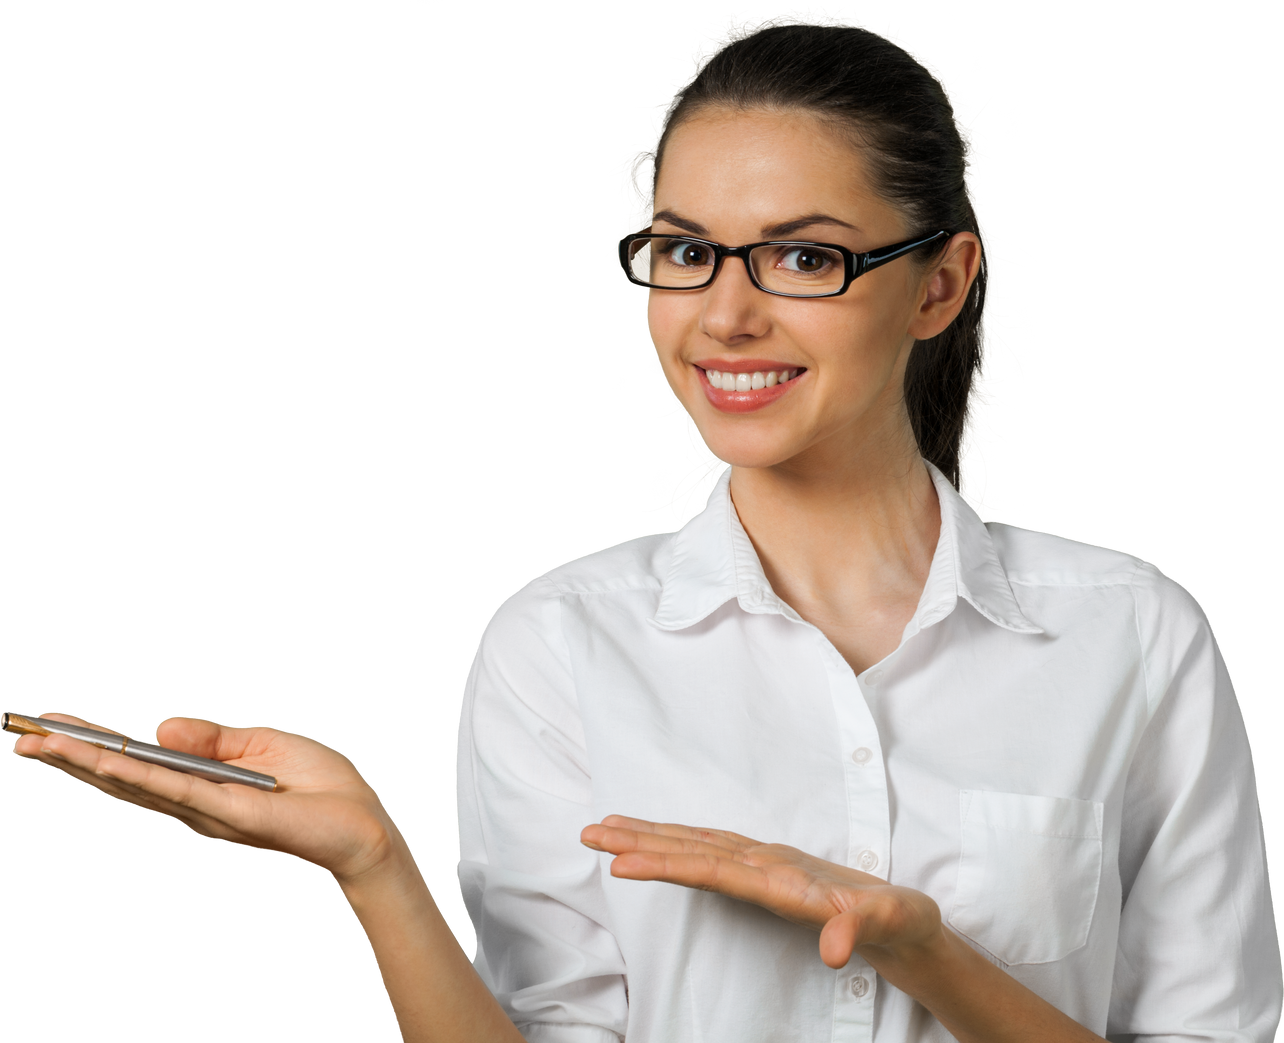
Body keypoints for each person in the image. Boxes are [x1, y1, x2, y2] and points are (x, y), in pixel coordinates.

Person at [10, 23, 1279, 1043]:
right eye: (684, 251)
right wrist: (374, 867)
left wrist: (919, 948)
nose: (722, 315)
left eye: (802, 259)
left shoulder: (1132, 633)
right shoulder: (557, 641)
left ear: (939, 284)